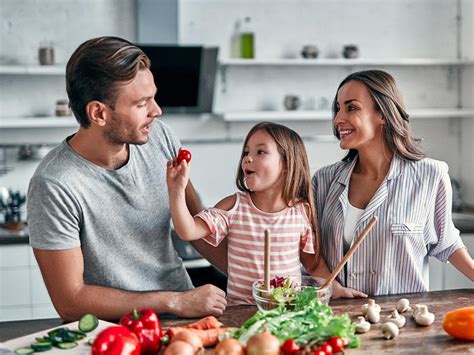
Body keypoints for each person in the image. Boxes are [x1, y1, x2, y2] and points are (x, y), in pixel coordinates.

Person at [27, 36, 227, 321]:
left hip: (186, 317)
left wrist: (253, 277)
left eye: (153, 97)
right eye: (142, 103)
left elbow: (198, 226)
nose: (156, 111)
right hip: (116, 332)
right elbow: (70, 300)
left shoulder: (161, 137)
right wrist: (174, 301)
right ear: (98, 113)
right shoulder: (55, 184)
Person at [312, 70, 474, 295]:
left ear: (382, 114)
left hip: (402, 319)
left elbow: (447, 242)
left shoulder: (431, 175)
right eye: (338, 108)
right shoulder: (323, 181)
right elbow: (309, 250)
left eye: (351, 107)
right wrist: (329, 287)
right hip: (339, 321)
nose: (338, 119)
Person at [167, 122, 366, 304]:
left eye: (260, 152)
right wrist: (177, 191)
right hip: (241, 313)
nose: (248, 158)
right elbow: (188, 231)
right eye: (246, 152)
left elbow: (313, 265)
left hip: (287, 312)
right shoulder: (234, 206)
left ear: (287, 165)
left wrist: (335, 288)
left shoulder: (301, 212)